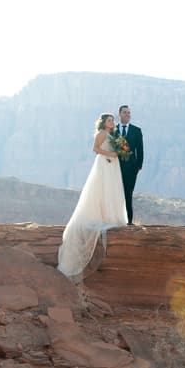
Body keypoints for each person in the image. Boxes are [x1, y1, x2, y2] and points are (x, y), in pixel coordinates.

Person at [57, 113, 128, 279]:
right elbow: (95, 149)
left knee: (112, 189)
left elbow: (117, 149)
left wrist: (120, 152)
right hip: (104, 163)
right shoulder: (101, 134)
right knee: (102, 189)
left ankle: (111, 215)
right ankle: (103, 215)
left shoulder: (113, 135)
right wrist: (110, 154)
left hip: (113, 165)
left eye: (112, 120)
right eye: (109, 120)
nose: (112, 122)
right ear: (104, 122)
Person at [114, 104, 143, 225]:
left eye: (129, 113)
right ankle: (116, 219)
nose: (127, 115)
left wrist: (138, 166)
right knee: (116, 193)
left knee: (128, 193)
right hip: (115, 168)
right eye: (125, 112)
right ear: (119, 114)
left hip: (131, 169)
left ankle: (129, 221)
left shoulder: (136, 130)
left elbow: (140, 150)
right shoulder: (113, 130)